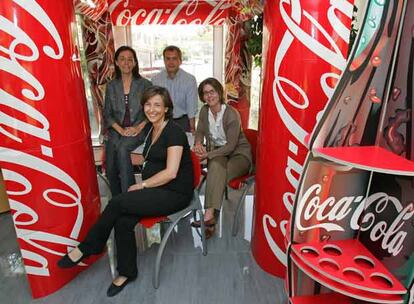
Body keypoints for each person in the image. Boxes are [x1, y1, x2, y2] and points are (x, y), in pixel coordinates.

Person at [58, 86, 194, 297]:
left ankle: (88, 247)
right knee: (122, 220)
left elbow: (171, 172)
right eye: (148, 104)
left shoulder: (174, 132)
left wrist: (142, 185)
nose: (152, 109)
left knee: (117, 202)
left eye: (157, 105)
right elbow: (149, 159)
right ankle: (127, 272)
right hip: (156, 189)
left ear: (167, 108)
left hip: (174, 192)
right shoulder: (151, 129)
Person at [192, 78, 252, 238]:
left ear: (219, 92)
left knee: (216, 173)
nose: (209, 95)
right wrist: (198, 142)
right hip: (219, 153)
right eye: (205, 93)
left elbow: (231, 146)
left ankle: (209, 217)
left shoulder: (231, 114)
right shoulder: (204, 111)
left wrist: (206, 155)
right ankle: (209, 217)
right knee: (216, 168)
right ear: (202, 96)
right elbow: (200, 131)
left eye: (212, 91)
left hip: (239, 154)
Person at [104, 46, 152, 196]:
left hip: (140, 129)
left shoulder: (145, 85)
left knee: (123, 148)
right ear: (117, 62)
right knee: (111, 161)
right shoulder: (111, 86)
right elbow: (107, 113)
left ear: (135, 62)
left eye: (130, 59)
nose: (126, 62)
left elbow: (151, 111)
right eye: (122, 59)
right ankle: (117, 199)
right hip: (117, 130)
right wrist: (120, 130)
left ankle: (130, 197)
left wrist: (138, 127)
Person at [152, 45, 198, 134]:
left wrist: (192, 129)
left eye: (174, 58)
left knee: (183, 146)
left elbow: (191, 107)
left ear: (180, 61)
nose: (171, 62)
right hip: (161, 120)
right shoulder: (155, 80)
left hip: (183, 121)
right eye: (168, 59)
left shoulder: (190, 80)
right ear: (164, 61)